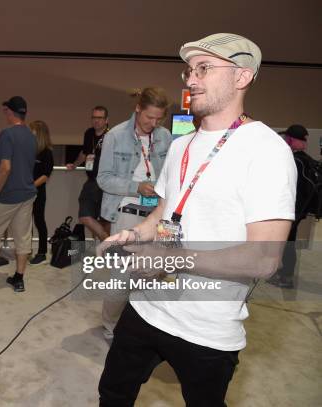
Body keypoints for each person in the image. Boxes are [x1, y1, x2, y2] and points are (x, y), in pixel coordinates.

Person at [98, 33, 296, 406]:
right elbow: (164, 213)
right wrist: (136, 234)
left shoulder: (266, 150)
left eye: (204, 69)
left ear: (242, 76)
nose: (190, 80)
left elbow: (264, 259)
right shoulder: (180, 145)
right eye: (189, 70)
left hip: (207, 328)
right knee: (112, 392)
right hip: (146, 305)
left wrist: (172, 258)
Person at [96, 87, 173, 339]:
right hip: (127, 212)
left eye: (158, 118)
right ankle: (110, 327)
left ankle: (140, 327)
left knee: (153, 274)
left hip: (158, 215)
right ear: (138, 108)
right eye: (149, 117)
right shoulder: (115, 136)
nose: (154, 123)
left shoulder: (165, 137)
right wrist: (136, 187)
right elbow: (104, 179)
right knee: (122, 276)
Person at [0, 96, 37, 292]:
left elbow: (5, 167)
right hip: (28, 194)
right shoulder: (31, 135)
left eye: (5, 111)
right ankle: (19, 279)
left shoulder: (7, 134)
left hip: (7, 196)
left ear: (9, 112)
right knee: (22, 237)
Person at [269, 124, 316, 288]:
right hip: (296, 210)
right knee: (288, 242)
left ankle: (286, 277)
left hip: (291, 210)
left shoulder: (296, 161)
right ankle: (283, 274)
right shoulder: (305, 159)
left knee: (288, 244)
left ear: (291, 140)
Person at [66, 106, 111, 241]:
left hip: (106, 182)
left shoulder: (111, 135)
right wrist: (74, 165)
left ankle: (104, 251)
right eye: (94, 117)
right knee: (86, 216)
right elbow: (85, 153)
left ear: (106, 120)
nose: (96, 121)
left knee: (104, 220)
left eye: (99, 118)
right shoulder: (89, 133)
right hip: (91, 180)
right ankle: (107, 241)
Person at [29, 120, 54, 265]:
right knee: (25, 223)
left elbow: (45, 175)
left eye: (32, 131)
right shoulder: (29, 150)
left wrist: (31, 186)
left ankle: (42, 252)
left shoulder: (47, 153)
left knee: (39, 221)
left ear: (39, 134)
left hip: (38, 193)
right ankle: (26, 250)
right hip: (26, 193)